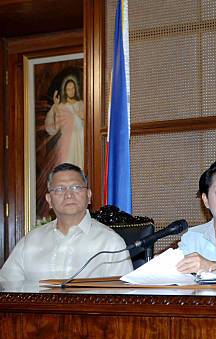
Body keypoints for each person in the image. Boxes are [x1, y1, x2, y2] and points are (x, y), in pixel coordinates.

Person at [0, 163, 133, 282]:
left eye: (76, 187)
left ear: (89, 195)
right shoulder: (30, 241)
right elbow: (6, 288)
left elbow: (123, 300)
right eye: (60, 189)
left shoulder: (111, 243)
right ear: (49, 200)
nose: (69, 195)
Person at [44, 77, 85, 168]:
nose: (71, 91)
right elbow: (55, 127)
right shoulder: (61, 106)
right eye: (68, 89)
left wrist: (81, 116)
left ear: (75, 89)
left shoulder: (81, 104)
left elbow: (88, 124)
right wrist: (55, 107)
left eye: (73, 88)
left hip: (81, 141)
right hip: (67, 143)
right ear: (65, 91)